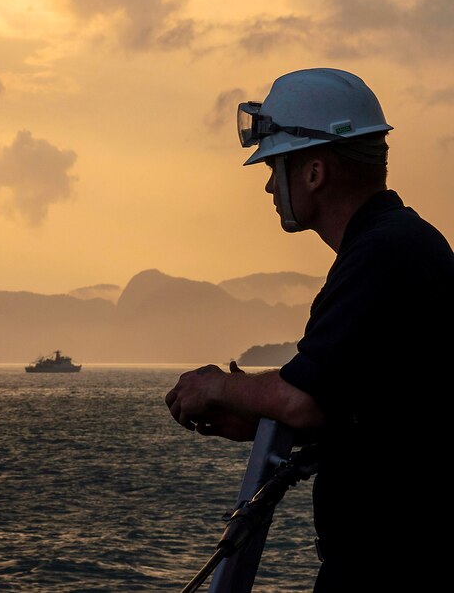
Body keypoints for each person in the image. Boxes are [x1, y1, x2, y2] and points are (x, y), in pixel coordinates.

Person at [165, 68, 454, 590]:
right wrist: (256, 421)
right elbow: (376, 410)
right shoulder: (398, 245)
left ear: (315, 171)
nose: (270, 183)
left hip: (391, 568)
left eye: (276, 165)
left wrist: (216, 385)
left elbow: (304, 397)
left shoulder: (382, 254)